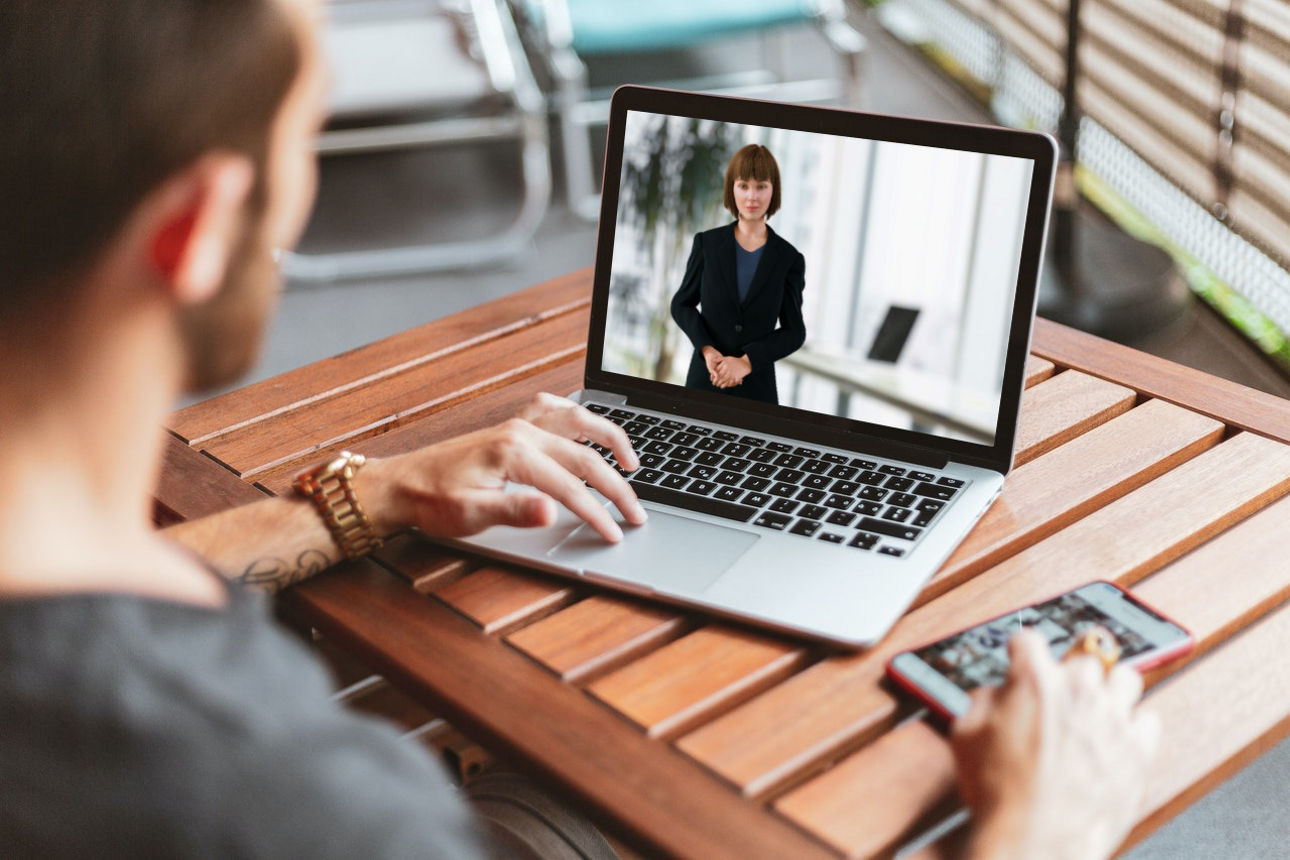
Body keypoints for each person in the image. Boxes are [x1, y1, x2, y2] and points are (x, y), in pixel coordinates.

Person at [0, 1, 1157, 857]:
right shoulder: (291, 803)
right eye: (301, 146)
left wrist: (376, 495)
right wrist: (1027, 840)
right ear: (194, 228)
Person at [670, 144, 806, 405]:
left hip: (757, 393)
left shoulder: (789, 259)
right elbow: (681, 304)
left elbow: (794, 331)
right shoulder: (707, 244)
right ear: (731, 189)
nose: (752, 196)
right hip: (705, 382)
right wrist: (707, 350)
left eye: (761, 186)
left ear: (773, 190)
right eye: (743, 185)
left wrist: (747, 362)